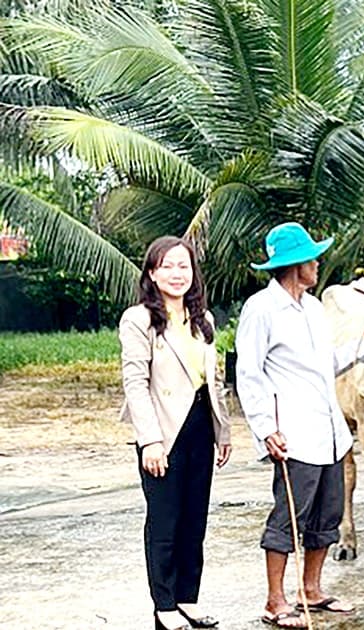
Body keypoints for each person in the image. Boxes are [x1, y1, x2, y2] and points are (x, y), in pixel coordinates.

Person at [236, 222, 364, 628]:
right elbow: (249, 373)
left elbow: (326, 365)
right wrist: (264, 428)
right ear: (294, 265)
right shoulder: (261, 309)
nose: (318, 263)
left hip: (329, 433)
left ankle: (312, 588)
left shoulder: (312, 308)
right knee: (290, 516)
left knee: (328, 514)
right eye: (313, 258)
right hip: (293, 433)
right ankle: (276, 601)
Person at [119, 236, 232, 630]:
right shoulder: (139, 320)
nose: (177, 274)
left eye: (184, 266)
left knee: (194, 519)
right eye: (167, 265)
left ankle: (188, 597)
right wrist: (149, 439)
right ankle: (164, 603)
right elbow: (135, 383)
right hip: (164, 428)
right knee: (165, 519)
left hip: (201, 425)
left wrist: (224, 431)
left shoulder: (204, 321)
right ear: (152, 272)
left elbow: (213, 382)